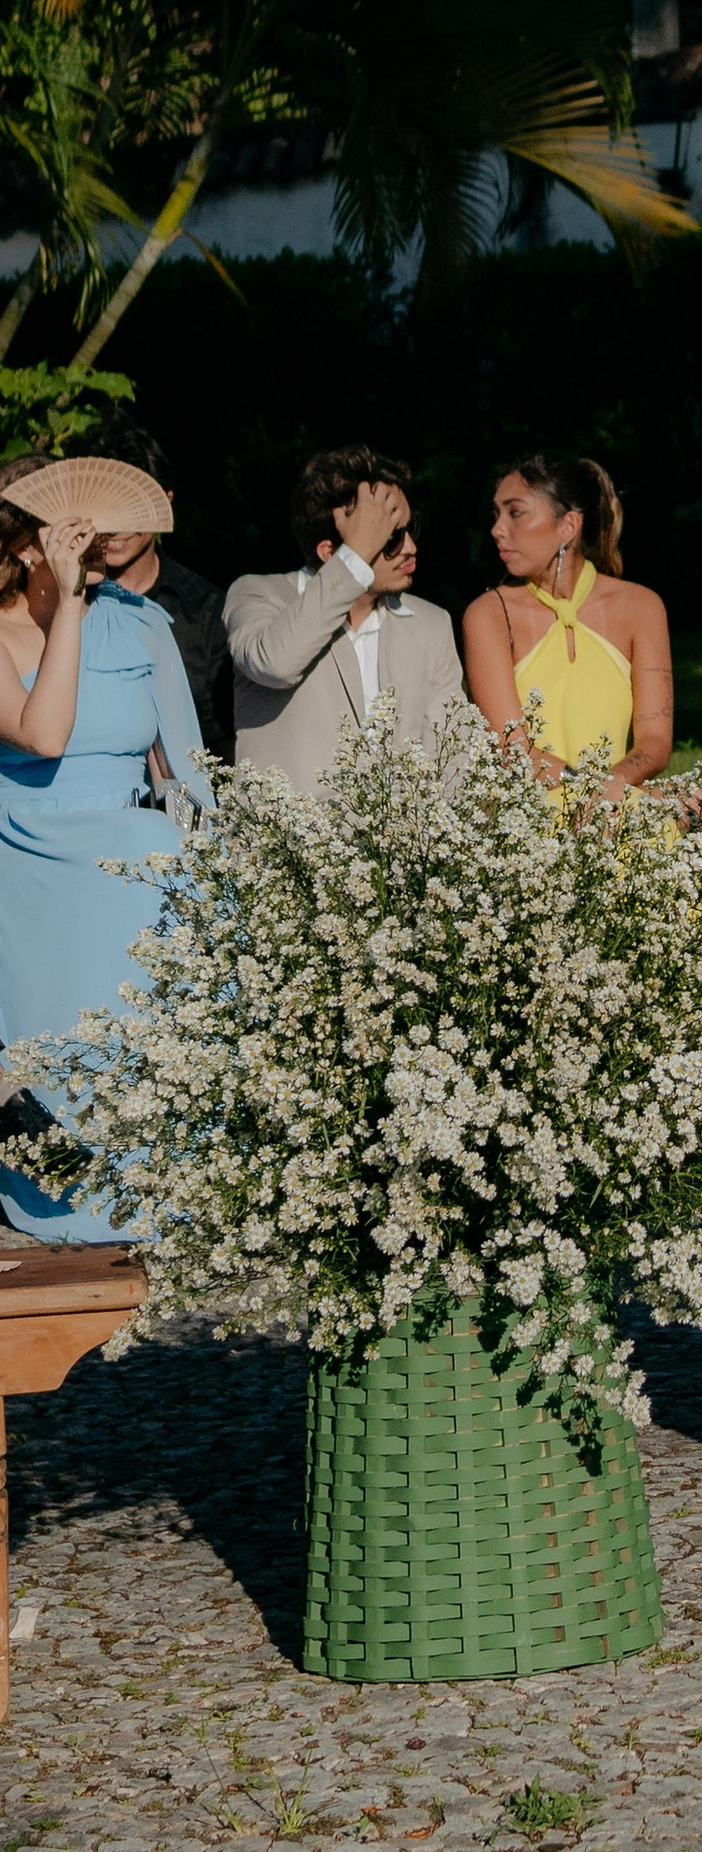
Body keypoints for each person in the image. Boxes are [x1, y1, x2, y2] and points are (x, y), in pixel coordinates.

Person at [0, 455, 209, 1245]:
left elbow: (186, 769)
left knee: (167, 865)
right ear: (28, 546)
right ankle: (58, 1169)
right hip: (32, 848)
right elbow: (45, 733)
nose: (91, 544)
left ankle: (165, 1183)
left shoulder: (143, 621)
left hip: (137, 853)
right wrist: (72, 612)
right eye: (67, 535)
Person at [226, 447, 464, 795]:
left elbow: (452, 756)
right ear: (330, 552)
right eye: (391, 538)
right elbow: (275, 664)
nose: (411, 547)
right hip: (290, 845)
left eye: (412, 529)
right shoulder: (258, 595)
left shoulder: (431, 623)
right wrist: (354, 557)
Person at [462, 454, 672, 792]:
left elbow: (655, 741)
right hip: (528, 824)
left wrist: (614, 784)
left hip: (617, 811)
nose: (497, 529)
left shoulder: (642, 607)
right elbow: (513, 748)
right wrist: (588, 788)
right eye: (497, 514)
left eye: (515, 513)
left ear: (568, 526)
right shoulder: (488, 615)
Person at [62, 421, 235, 764]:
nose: (112, 523)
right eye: (100, 504)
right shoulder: (59, 602)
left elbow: (221, 738)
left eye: (130, 504)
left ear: (165, 504)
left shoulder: (207, 609)